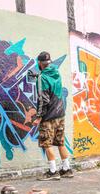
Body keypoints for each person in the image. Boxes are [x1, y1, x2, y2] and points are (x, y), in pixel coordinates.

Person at [33, 52, 73, 181]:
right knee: (60, 142)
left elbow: (43, 99)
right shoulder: (56, 73)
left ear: (40, 63)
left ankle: (53, 172)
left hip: (48, 116)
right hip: (60, 114)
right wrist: (38, 77)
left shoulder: (42, 77)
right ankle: (66, 169)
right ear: (49, 62)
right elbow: (50, 84)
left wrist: (39, 116)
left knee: (46, 143)